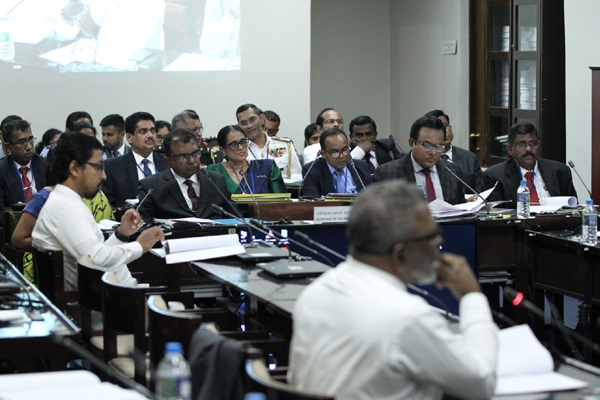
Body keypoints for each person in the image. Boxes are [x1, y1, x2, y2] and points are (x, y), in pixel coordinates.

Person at [288, 180, 498, 399]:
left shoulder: (315, 293)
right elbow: (482, 384)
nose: (438, 246)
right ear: (400, 254)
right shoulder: (407, 318)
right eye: (432, 238)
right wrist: (472, 296)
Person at [31, 133, 165, 290]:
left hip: (112, 293)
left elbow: (95, 253)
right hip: (110, 299)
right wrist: (140, 246)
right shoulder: (67, 208)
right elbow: (95, 260)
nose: (104, 176)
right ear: (74, 168)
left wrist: (121, 234)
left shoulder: (66, 201)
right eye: (99, 167)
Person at [137, 128, 239, 223]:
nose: (192, 161)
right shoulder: (152, 187)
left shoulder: (216, 180)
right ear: (168, 161)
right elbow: (143, 226)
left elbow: (235, 218)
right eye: (183, 157)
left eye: (195, 154)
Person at [372, 116, 466, 205]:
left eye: (439, 147)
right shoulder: (387, 173)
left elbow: (460, 210)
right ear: (412, 143)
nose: (433, 152)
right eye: (426, 145)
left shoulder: (453, 171)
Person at [483, 122, 577, 207]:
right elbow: (495, 216)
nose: (528, 149)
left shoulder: (560, 171)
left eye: (533, 143)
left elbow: (573, 210)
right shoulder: (495, 177)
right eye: (522, 144)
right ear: (510, 149)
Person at [103, 111, 167, 206]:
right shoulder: (112, 167)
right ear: (129, 138)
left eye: (152, 131)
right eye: (143, 131)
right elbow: (110, 205)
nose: (150, 135)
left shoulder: (167, 161)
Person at [205, 125, 285, 194]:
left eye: (243, 142)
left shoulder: (267, 167)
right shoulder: (213, 171)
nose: (240, 147)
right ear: (223, 150)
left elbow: (281, 201)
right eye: (234, 144)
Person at [236, 103, 302, 179]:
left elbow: (297, 178)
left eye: (252, 120)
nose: (249, 125)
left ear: (262, 119)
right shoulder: (237, 150)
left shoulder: (285, 146)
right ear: (239, 126)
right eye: (244, 123)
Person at [301, 128, 371, 199]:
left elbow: (371, 196)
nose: (341, 156)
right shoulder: (311, 171)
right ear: (323, 154)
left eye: (344, 150)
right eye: (335, 152)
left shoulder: (361, 166)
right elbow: (313, 201)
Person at [0, 120, 46, 225]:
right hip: (14, 228)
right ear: (8, 147)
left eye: (31, 140)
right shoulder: (2, 170)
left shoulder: (46, 165)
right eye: (22, 142)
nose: (29, 147)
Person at [424, 109, 482, 193]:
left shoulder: (470, 158)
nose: (444, 131)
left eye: (445, 125)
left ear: (450, 127)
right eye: (437, 128)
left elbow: (479, 191)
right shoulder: (424, 160)